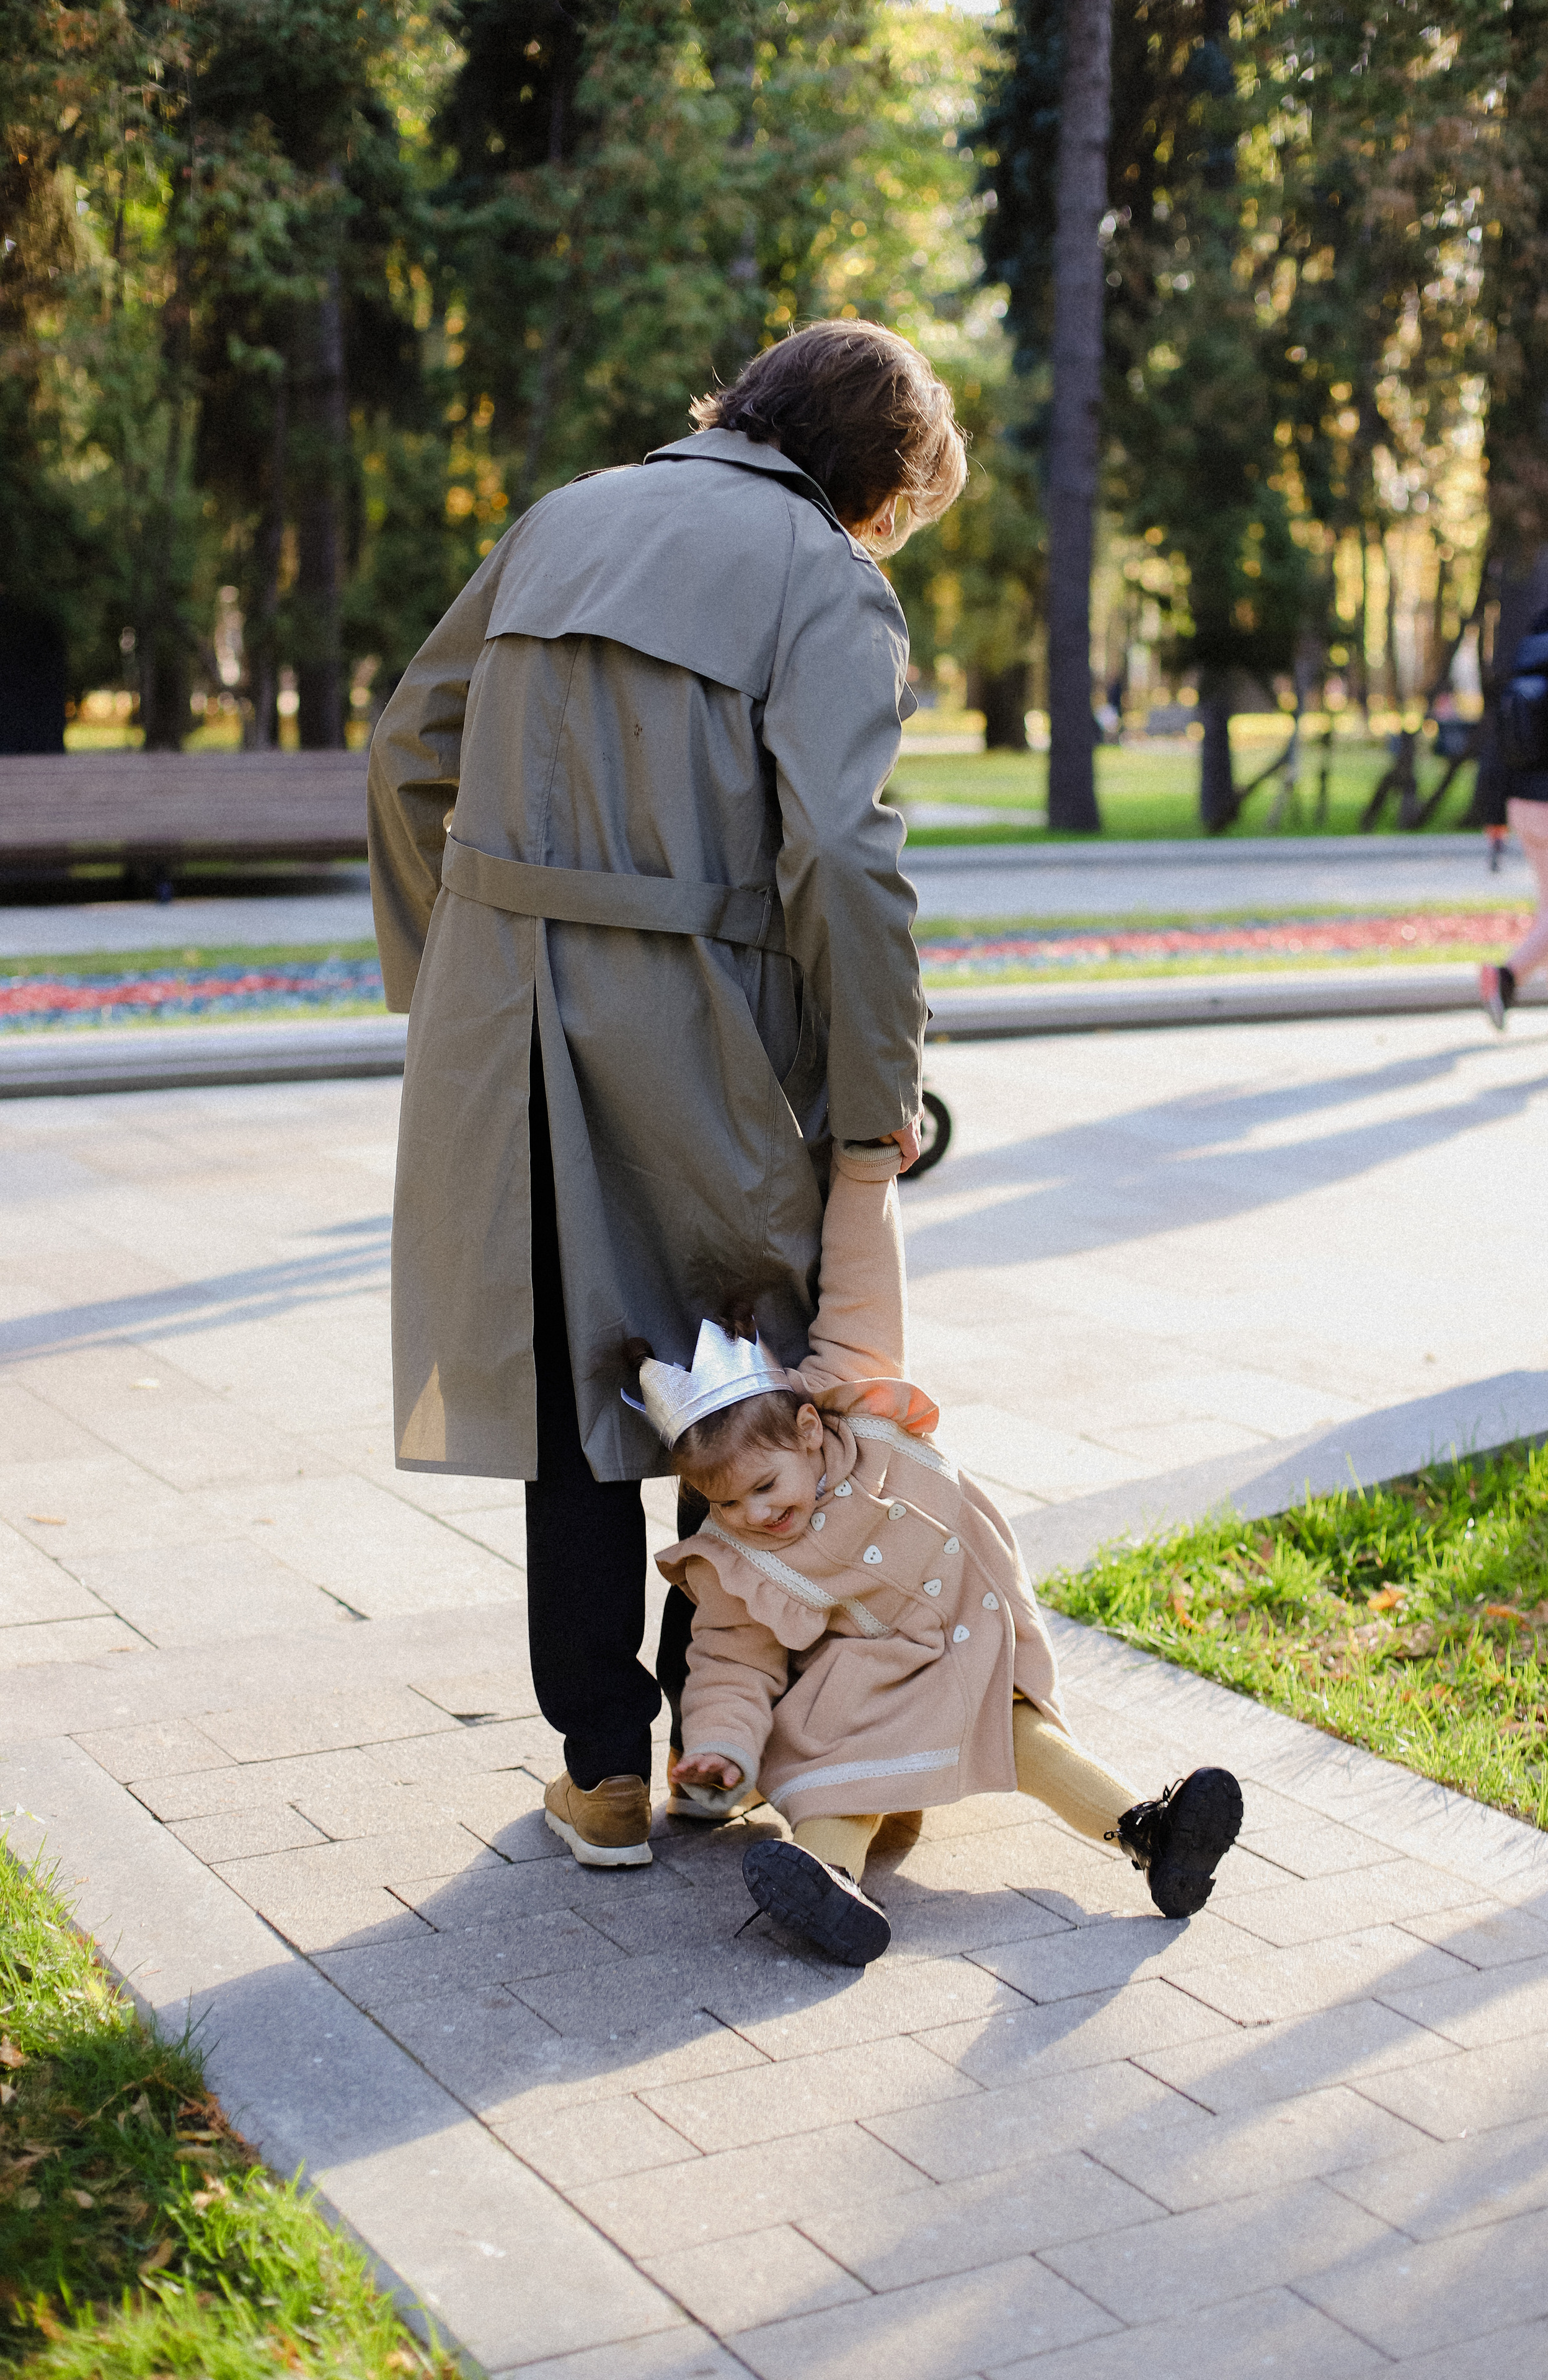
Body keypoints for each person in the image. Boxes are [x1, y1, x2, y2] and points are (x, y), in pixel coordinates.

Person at [367, 322, 965, 1869]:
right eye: (899, 505)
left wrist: (457, 968)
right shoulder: (818, 571)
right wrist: (871, 1093)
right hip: (701, 1023)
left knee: (571, 1393)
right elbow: (838, 855)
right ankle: (750, 1729)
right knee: (744, 1380)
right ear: (870, 477)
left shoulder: (564, 514)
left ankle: (604, 1772)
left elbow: (406, 747)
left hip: (502, 1023)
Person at [644, 1143, 1244, 1967]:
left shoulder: (862, 1406)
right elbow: (728, 1657)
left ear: (810, 1433)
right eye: (725, 1501)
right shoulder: (738, 1558)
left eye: (764, 1485)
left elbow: (860, 1284)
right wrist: (722, 1745)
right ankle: (824, 1883)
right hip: (867, 1691)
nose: (754, 1514)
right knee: (842, 1774)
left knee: (1028, 1740)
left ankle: (1154, 1834)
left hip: (972, 1647)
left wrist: (864, 1173)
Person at [1479, 571, 1548, 1052]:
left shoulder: (1528, 658)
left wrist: (1494, 811)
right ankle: (1506, 975)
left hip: (1524, 803)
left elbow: (1498, 742)